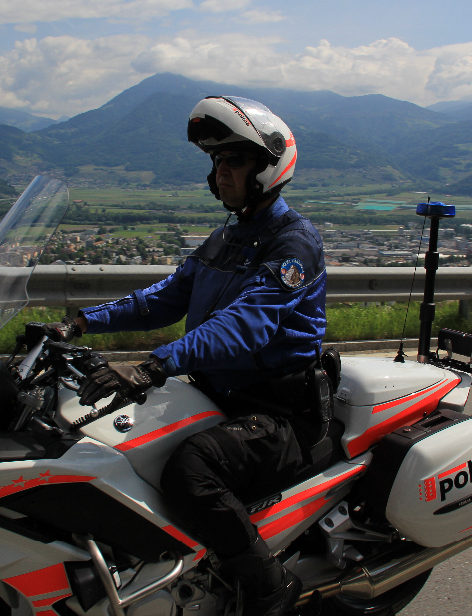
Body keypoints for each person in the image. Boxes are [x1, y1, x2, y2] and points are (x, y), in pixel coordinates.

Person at [43, 96, 326, 616]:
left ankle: (269, 589)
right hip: (216, 394)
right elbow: (163, 298)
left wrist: (153, 365)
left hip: (278, 411)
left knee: (190, 471)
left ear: (267, 167)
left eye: (233, 160)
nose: (220, 173)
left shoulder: (294, 243)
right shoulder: (227, 237)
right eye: (216, 162)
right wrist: (78, 323)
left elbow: (245, 325)